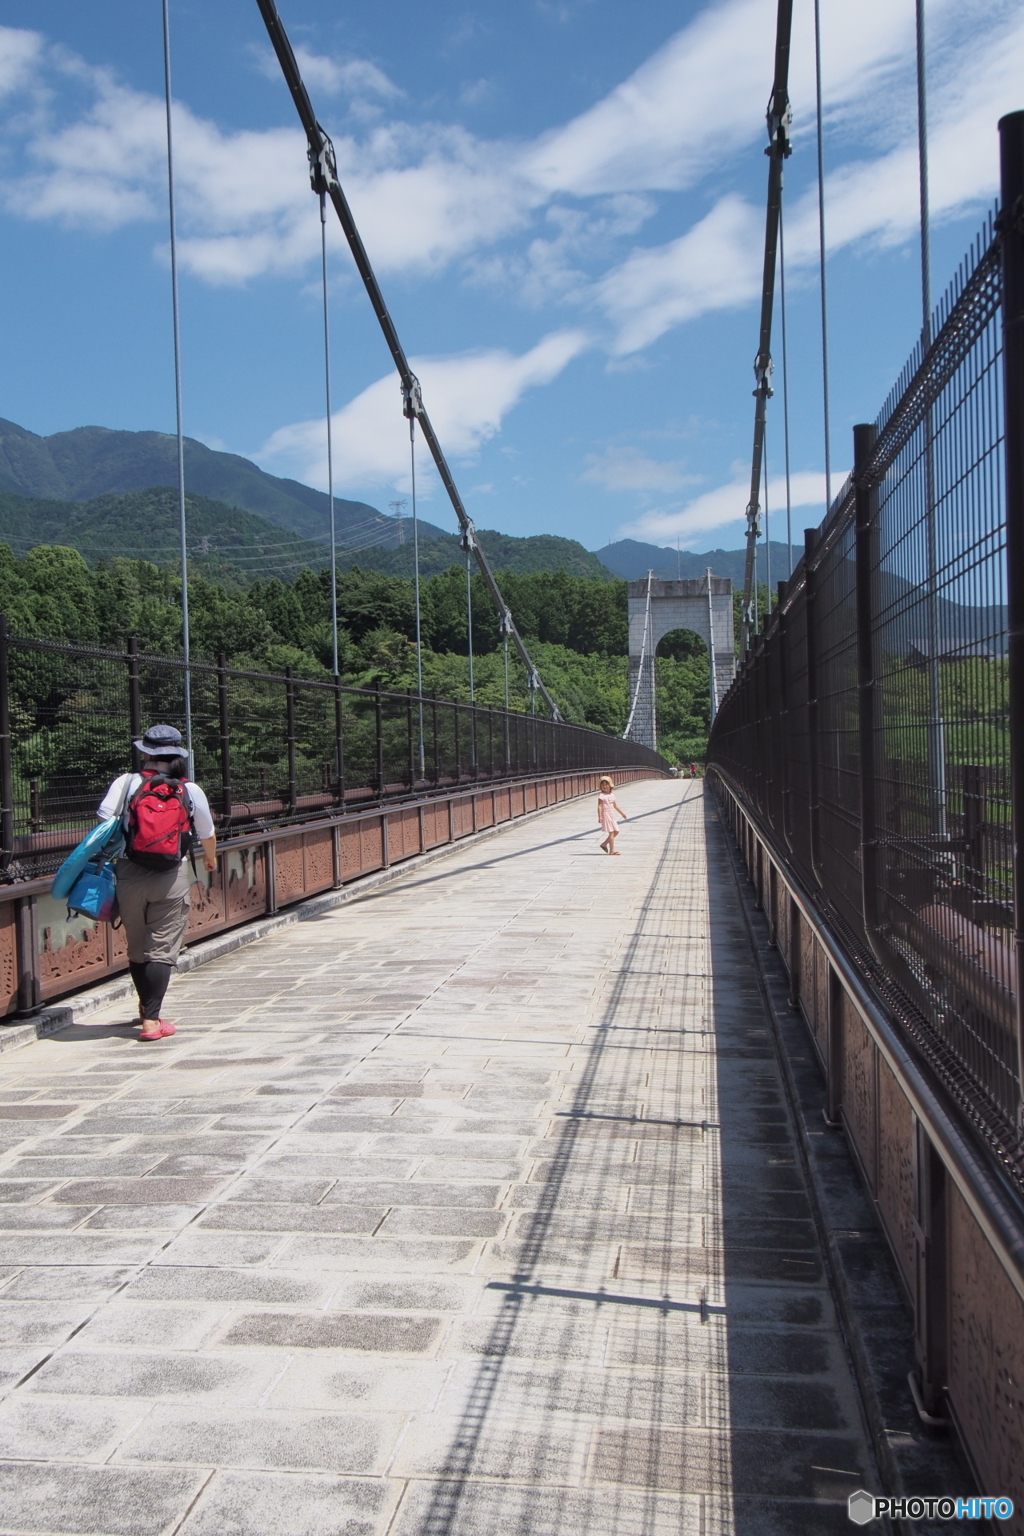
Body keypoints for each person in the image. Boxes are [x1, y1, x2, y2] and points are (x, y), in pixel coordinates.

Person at [98, 724, 217, 1041]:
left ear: (146, 752)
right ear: (178, 755)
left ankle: (145, 1010)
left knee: (138, 946)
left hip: (129, 871)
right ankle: (152, 1019)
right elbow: (206, 832)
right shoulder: (190, 789)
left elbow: (104, 821)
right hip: (170, 875)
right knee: (161, 948)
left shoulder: (126, 783)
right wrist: (210, 858)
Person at [597, 775, 627, 855]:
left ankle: (604, 844)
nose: (604, 786)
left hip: (611, 815)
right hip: (606, 814)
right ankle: (612, 850)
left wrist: (622, 813)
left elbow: (615, 806)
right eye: (602, 785)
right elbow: (599, 806)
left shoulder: (611, 795)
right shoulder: (601, 796)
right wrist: (599, 816)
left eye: (606, 785)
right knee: (611, 832)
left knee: (616, 831)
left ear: (610, 786)